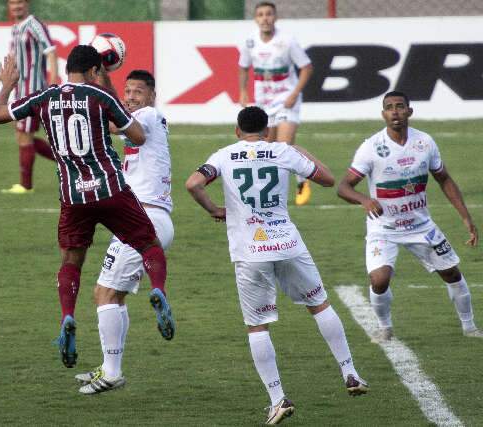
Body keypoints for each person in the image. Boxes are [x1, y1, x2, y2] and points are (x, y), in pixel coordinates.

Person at [0, 46, 175, 371]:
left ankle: (67, 317)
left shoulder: (45, 96)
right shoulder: (100, 96)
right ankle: (157, 289)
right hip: (110, 188)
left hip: (73, 196)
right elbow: (137, 136)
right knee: (148, 244)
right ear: (93, 71)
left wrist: (7, 83)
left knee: (71, 262)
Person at [186, 106, 368, 425]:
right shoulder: (282, 150)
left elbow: (192, 184)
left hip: (250, 250)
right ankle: (350, 373)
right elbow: (326, 179)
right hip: (287, 244)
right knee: (319, 304)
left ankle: (277, 399)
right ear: (267, 130)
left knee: (258, 326)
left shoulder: (224, 154)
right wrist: (296, 148)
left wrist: (214, 208)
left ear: (237, 130)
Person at [337, 91, 482, 342]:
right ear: (383, 114)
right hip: (384, 228)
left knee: (452, 273)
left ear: (409, 111)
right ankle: (385, 327)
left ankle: (470, 328)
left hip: (421, 225)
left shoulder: (425, 142)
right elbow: (343, 187)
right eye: (389, 107)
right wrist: (364, 199)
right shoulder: (371, 147)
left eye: (400, 106)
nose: (395, 111)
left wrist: (466, 217)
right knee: (379, 280)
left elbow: (443, 178)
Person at [73, 69, 174, 394]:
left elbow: (116, 122)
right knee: (114, 296)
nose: (131, 97)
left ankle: (113, 371)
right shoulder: (141, 116)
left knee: (103, 293)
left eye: (138, 92)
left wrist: (98, 89)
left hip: (144, 219)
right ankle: (109, 365)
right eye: (127, 91)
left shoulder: (148, 115)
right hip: (144, 217)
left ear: (151, 96)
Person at [238, 1, 314, 206]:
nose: (265, 18)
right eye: (261, 14)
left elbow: (307, 68)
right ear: (256, 19)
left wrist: (294, 93)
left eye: (269, 14)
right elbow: (243, 67)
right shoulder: (250, 42)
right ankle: (279, 189)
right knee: (269, 148)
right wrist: (243, 91)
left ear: (275, 17)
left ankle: (302, 180)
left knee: (284, 145)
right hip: (264, 102)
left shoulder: (287, 41)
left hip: (286, 99)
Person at [0, 0, 58, 194]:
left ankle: (25, 186)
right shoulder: (17, 28)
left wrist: (52, 85)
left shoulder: (34, 24)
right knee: (22, 135)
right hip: (20, 91)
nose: (16, 6)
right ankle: (66, 160)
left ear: (26, 4)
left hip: (33, 91)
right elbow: (16, 58)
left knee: (24, 135)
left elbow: (51, 52)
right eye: (12, 3)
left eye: (20, 2)